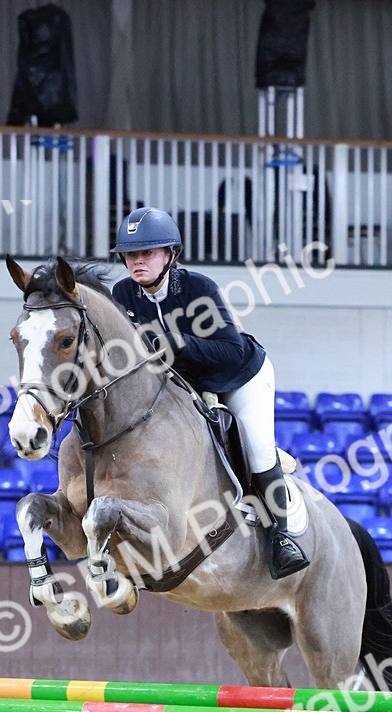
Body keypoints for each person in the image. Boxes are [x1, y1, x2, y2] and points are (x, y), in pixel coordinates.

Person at [112, 206, 308, 580]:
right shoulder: (123, 294)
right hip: (187, 386)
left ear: (171, 255)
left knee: (257, 448)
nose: (137, 261)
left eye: (147, 253)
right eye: (131, 254)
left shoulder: (199, 289)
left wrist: (177, 342)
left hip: (239, 378)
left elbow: (231, 350)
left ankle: (281, 539)